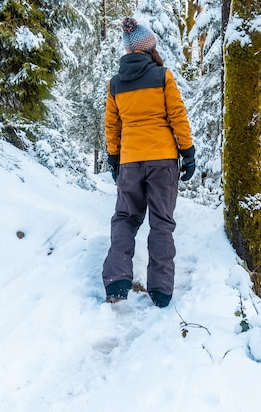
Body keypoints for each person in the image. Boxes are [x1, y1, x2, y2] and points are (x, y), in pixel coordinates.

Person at [102, 17, 195, 308]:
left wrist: (114, 158)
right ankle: (161, 290)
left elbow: (112, 126)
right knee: (161, 223)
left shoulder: (115, 84)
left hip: (130, 160)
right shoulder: (162, 76)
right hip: (163, 161)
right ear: (150, 46)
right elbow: (177, 116)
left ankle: (116, 282)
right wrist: (188, 151)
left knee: (125, 219)